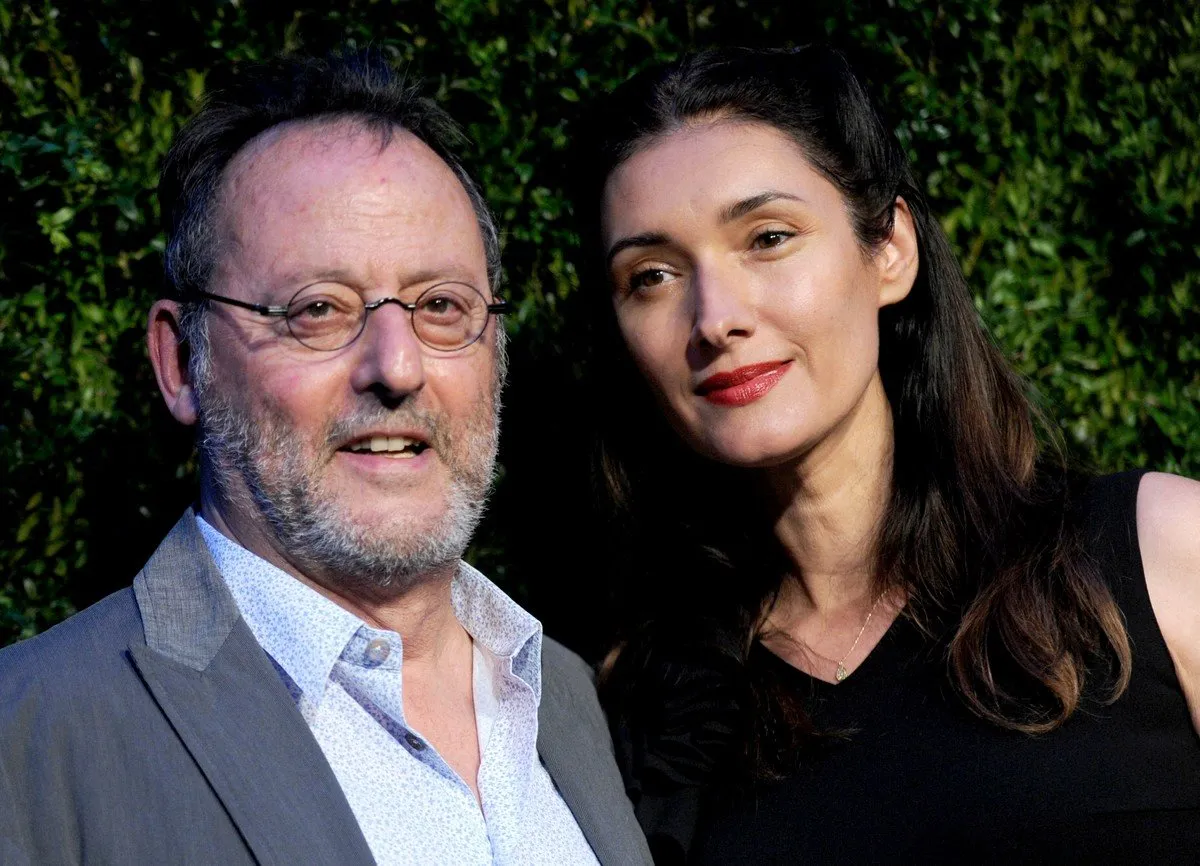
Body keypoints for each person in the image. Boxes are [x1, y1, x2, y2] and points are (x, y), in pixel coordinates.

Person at [0, 53, 651, 866]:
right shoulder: (29, 737)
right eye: (317, 310)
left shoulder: (570, 699)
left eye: (441, 306)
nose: (397, 366)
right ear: (182, 363)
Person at [576, 45, 1200, 864]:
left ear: (890, 250)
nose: (715, 317)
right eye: (652, 276)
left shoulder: (1160, 551)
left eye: (768, 237)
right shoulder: (642, 715)